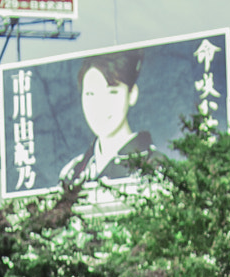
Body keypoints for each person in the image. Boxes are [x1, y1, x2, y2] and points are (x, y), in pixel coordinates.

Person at [61, 51, 161, 184]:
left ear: (132, 94)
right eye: (91, 93)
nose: (100, 105)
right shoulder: (72, 172)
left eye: (112, 92)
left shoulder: (155, 166)